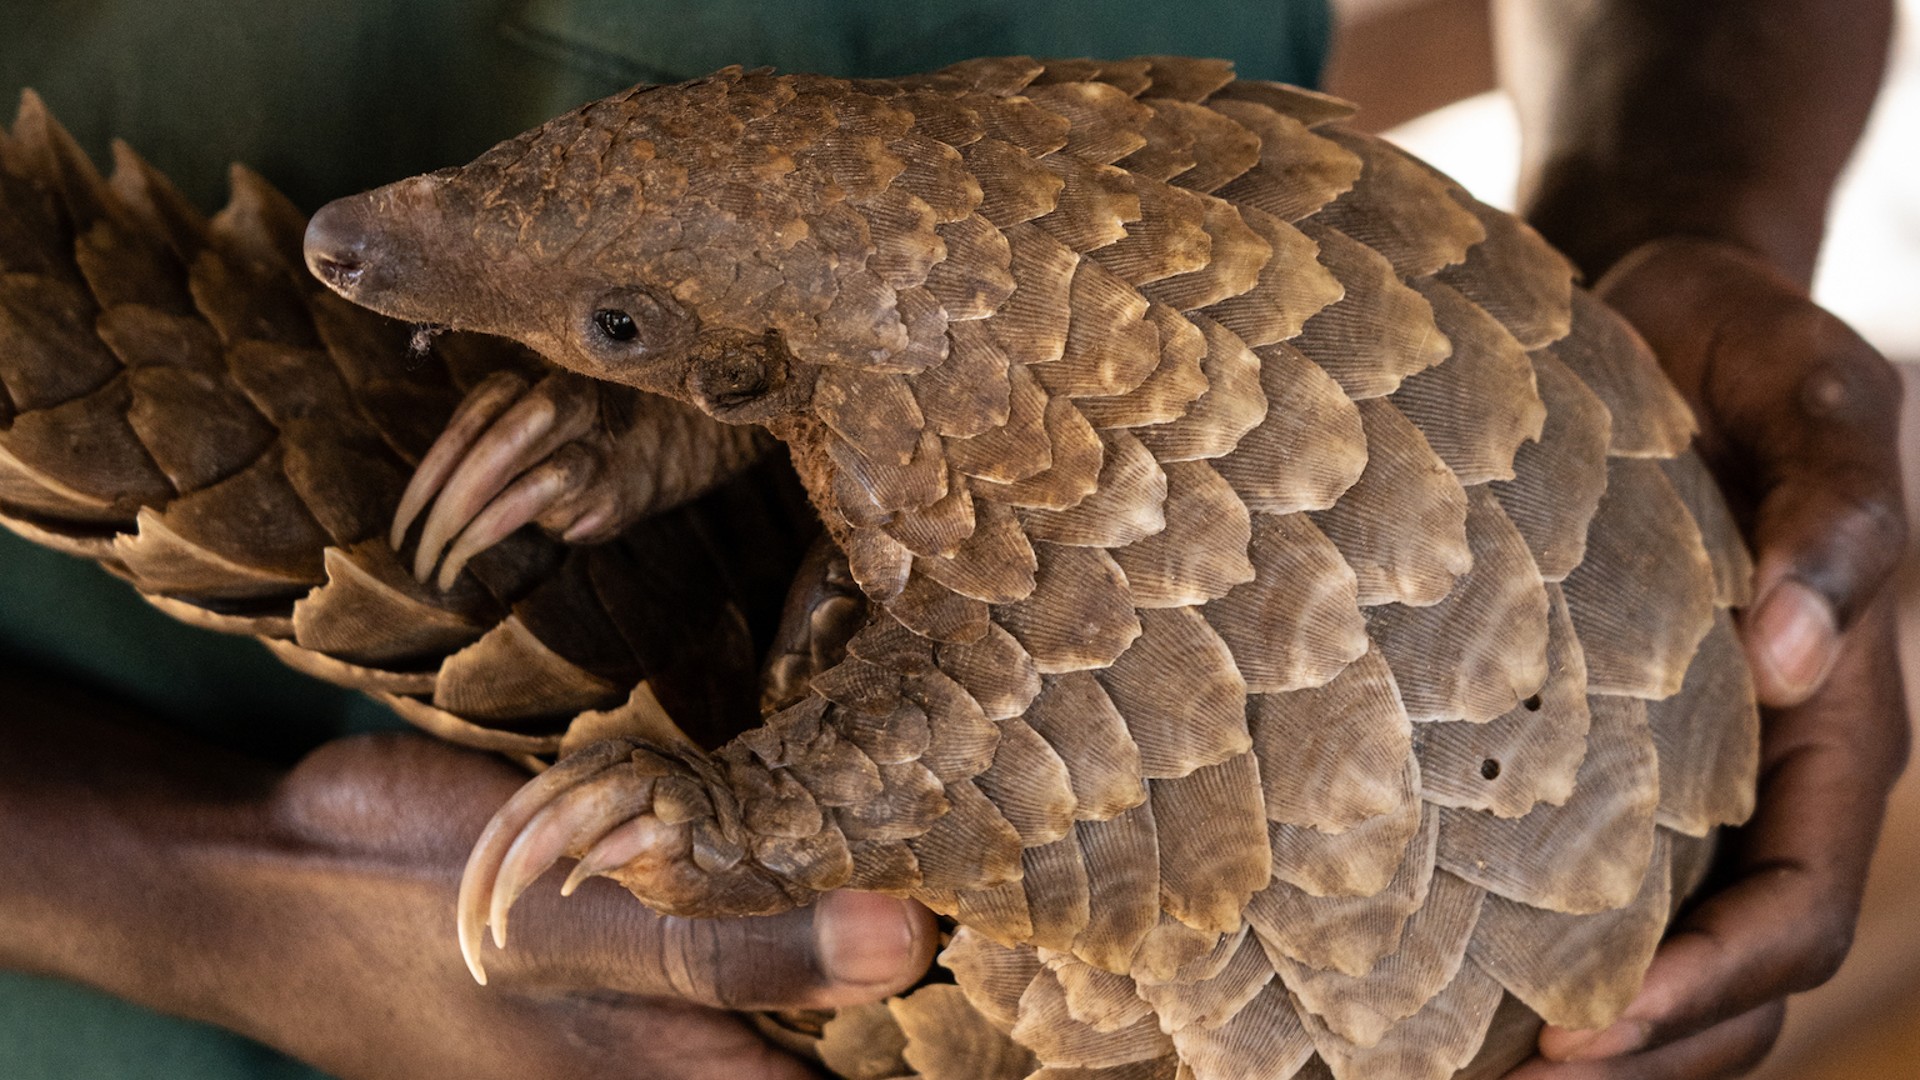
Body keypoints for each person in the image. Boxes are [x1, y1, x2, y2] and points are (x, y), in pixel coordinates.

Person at [0, 1, 1905, 1077]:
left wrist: (1619, 355)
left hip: (1102, 856)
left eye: (639, 339)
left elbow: (1044, 710)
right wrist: (192, 885)